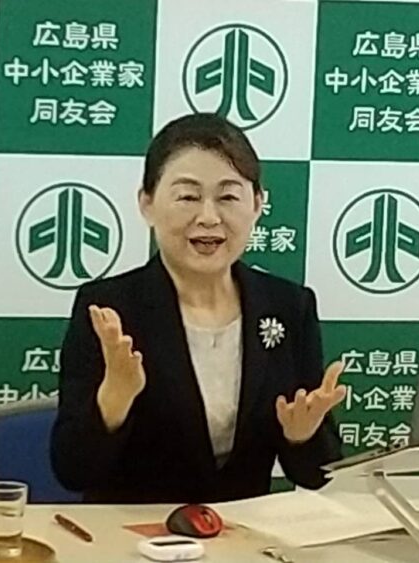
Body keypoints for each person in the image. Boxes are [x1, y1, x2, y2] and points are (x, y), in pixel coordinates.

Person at [50, 113, 346, 504]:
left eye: (228, 197)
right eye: (188, 197)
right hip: (134, 533)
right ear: (147, 203)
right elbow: (72, 470)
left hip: (242, 533)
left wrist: (301, 435)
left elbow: (318, 475)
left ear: (257, 204)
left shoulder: (289, 307)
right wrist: (114, 399)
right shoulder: (110, 309)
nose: (208, 217)